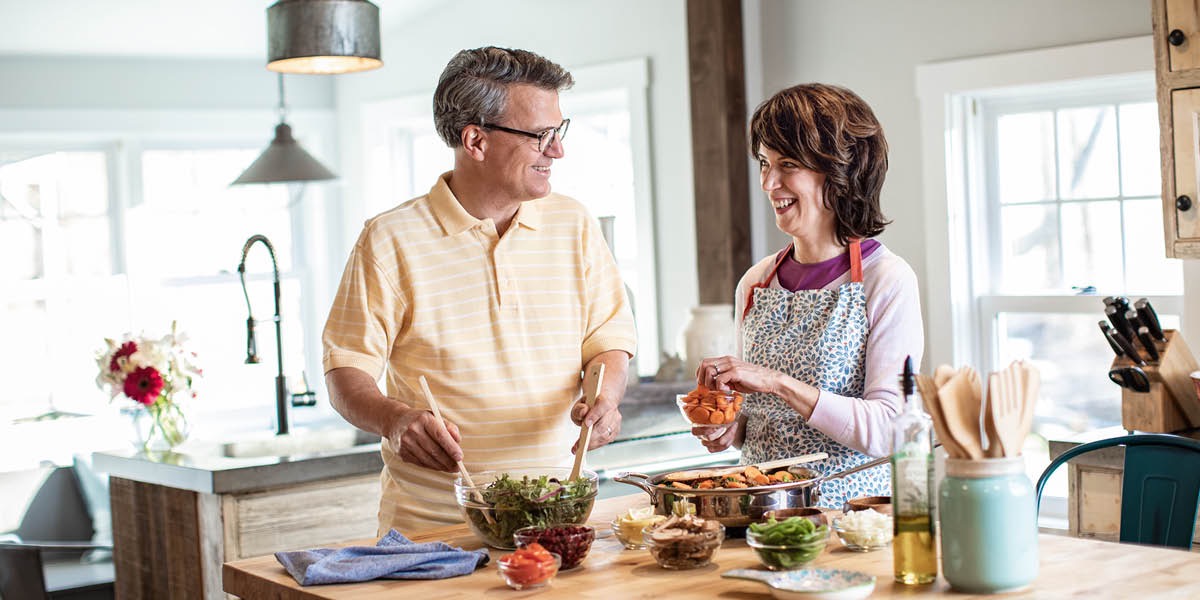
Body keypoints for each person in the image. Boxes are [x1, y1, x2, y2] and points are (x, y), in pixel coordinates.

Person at [322, 46, 636, 534]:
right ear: (475, 140)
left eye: (559, 131)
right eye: (541, 136)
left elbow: (608, 339)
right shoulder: (389, 240)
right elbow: (346, 373)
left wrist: (607, 397)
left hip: (558, 521)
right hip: (433, 535)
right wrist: (396, 419)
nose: (557, 150)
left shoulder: (573, 222)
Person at [692, 83, 923, 509]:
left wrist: (778, 383)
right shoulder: (756, 282)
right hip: (756, 518)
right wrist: (726, 427)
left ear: (839, 171)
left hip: (846, 524)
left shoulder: (886, 280)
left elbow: (890, 429)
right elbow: (757, 422)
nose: (769, 181)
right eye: (764, 163)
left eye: (788, 164)